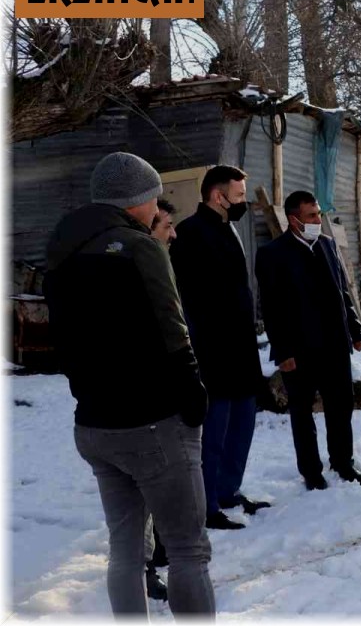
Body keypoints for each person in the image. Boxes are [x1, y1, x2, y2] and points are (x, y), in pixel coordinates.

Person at [44, 152, 215, 617]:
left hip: (94, 423)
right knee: (187, 550)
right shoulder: (140, 247)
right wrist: (193, 389)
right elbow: (171, 325)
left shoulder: (61, 249)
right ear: (137, 199)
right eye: (153, 197)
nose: (156, 206)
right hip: (152, 421)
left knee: (124, 552)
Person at [170, 165, 270, 531]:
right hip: (212, 351)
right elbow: (189, 299)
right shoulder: (190, 234)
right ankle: (207, 504)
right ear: (217, 195)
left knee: (242, 426)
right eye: (240, 195)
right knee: (213, 433)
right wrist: (198, 351)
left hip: (242, 347)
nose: (243, 202)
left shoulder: (229, 227)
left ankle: (229, 490)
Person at [256, 190, 361, 491]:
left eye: (318, 214)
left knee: (340, 407)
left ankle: (343, 462)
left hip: (334, 346)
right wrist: (282, 351)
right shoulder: (273, 254)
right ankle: (311, 472)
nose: (317, 220)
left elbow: (342, 292)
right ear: (294, 220)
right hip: (299, 350)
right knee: (302, 412)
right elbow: (271, 307)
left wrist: (356, 331)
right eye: (311, 216)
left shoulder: (327, 245)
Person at [146, 200, 175, 601]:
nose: (172, 233)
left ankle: (161, 550)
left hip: (167, 398)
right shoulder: (139, 270)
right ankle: (146, 564)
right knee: (147, 490)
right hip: (144, 405)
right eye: (167, 225)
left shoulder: (164, 264)